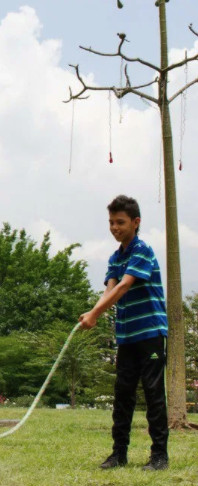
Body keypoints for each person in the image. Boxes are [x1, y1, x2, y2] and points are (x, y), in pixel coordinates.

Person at [79, 195, 169, 471]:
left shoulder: (142, 250)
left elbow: (123, 287)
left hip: (150, 332)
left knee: (153, 393)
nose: (114, 228)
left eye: (120, 222)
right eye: (111, 222)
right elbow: (109, 290)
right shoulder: (115, 258)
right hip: (127, 336)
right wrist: (92, 312)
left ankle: (159, 456)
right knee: (123, 395)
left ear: (135, 222)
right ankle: (119, 454)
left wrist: (95, 314)